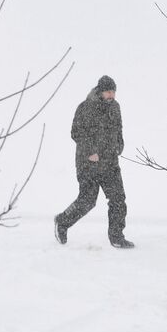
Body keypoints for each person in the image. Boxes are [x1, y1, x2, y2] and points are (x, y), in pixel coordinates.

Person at [54, 75, 134, 249]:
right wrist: (90, 152)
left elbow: (118, 130)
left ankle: (116, 237)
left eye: (113, 91)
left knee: (118, 199)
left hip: (110, 162)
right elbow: (76, 132)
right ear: (100, 91)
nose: (111, 95)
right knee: (88, 201)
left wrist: (119, 146)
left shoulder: (115, 107)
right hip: (88, 163)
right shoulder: (85, 107)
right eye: (108, 91)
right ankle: (62, 221)